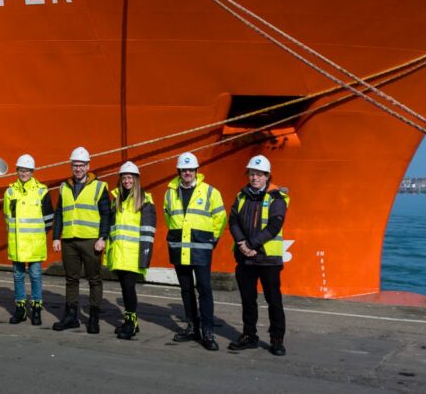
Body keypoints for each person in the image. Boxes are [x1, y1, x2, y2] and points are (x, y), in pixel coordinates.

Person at [164, 151, 227, 350]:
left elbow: (220, 218)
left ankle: (207, 331)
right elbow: (169, 217)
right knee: (185, 289)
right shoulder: (170, 192)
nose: (187, 173)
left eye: (191, 170)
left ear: (196, 171)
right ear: (179, 171)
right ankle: (192, 327)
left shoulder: (210, 192)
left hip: (201, 249)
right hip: (179, 248)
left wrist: (212, 240)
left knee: (204, 290)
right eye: (184, 170)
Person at [227, 154, 289, 356]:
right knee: (248, 300)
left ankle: (277, 339)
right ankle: (249, 335)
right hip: (246, 258)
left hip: (268, 260)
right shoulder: (241, 196)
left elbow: (274, 226)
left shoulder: (276, 198)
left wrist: (252, 244)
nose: (255, 178)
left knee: (274, 300)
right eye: (252, 174)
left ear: (267, 176)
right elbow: (233, 221)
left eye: (259, 174)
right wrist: (242, 244)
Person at [51, 146, 111, 334]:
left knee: (94, 279)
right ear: (71, 166)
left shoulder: (99, 187)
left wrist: (103, 238)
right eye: (75, 165)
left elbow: (106, 215)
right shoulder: (64, 187)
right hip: (69, 240)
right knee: (71, 279)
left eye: (82, 165)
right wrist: (56, 237)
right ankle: (71, 317)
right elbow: (59, 213)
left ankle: (94, 319)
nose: (78, 169)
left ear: (88, 166)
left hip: (91, 240)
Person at [104, 161, 156, 340]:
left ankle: (132, 322)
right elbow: (113, 228)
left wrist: (145, 257)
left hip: (133, 255)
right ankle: (129, 321)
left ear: (136, 179)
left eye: (130, 178)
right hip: (119, 253)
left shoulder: (144, 201)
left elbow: (148, 232)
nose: (127, 181)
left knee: (128, 288)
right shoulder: (117, 200)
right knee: (124, 288)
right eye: (124, 178)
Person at [2, 154, 54, 325]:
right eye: (21, 170)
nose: (23, 173)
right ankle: (20, 309)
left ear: (32, 172)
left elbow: (48, 219)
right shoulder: (10, 191)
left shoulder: (41, 191)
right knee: (17, 276)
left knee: (35, 275)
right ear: (17, 171)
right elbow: (7, 217)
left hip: (34, 242)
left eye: (26, 171)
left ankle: (36, 309)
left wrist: (37, 234)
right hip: (17, 242)